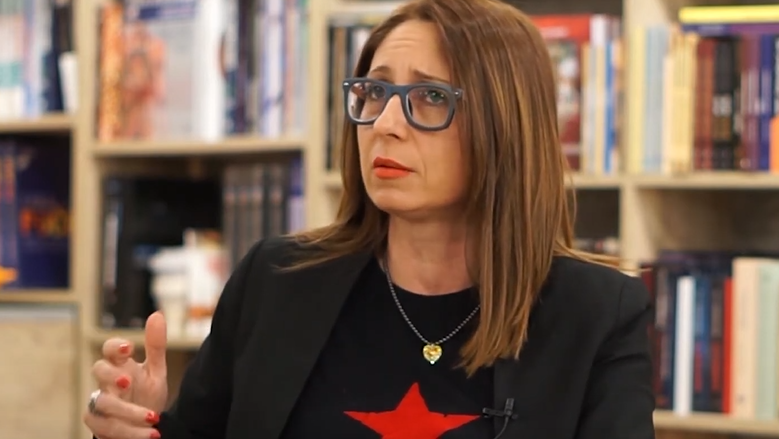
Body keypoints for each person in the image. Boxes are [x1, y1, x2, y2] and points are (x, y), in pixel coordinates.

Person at [83, 0, 656, 437]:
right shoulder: (276, 281)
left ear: (505, 124)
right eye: (375, 92)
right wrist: (140, 425)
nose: (385, 123)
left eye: (431, 97)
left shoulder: (598, 313)